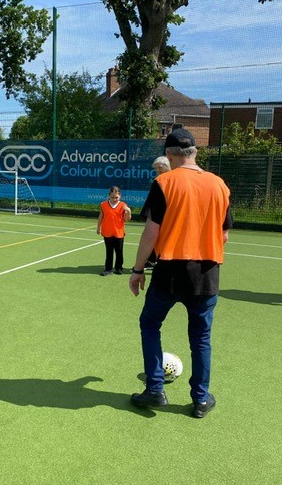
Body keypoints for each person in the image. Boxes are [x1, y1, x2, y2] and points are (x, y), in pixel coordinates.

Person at [129, 128, 232, 418]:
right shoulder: (219, 185)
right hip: (207, 273)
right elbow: (224, 236)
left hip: (170, 271)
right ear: (195, 152)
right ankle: (200, 399)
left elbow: (151, 233)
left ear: (171, 155)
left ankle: (155, 390)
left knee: (150, 324)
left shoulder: (164, 182)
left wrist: (138, 270)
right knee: (200, 338)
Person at [140, 155, 172, 267]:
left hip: (169, 215)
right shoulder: (158, 180)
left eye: (160, 167)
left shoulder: (169, 179)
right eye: (156, 168)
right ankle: (151, 260)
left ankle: (159, 261)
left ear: (167, 166)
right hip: (159, 215)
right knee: (155, 237)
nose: (157, 170)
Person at [97, 186, 131, 276]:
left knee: (119, 251)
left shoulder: (123, 205)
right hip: (107, 232)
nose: (114, 199)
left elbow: (127, 219)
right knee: (109, 251)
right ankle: (108, 269)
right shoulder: (104, 204)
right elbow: (101, 216)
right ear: (109, 196)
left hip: (118, 232)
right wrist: (98, 227)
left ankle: (118, 268)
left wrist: (128, 211)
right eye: (112, 197)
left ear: (120, 196)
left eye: (116, 197)